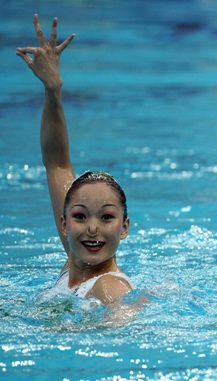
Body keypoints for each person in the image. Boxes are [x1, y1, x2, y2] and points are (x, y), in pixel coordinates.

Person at [16, 15, 134, 305]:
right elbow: (56, 162)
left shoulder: (108, 286)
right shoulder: (74, 262)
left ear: (125, 226)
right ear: (64, 224)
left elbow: (124, 323)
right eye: (80, 216)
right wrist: (52, 90)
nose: (92, 228)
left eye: (107, 217)